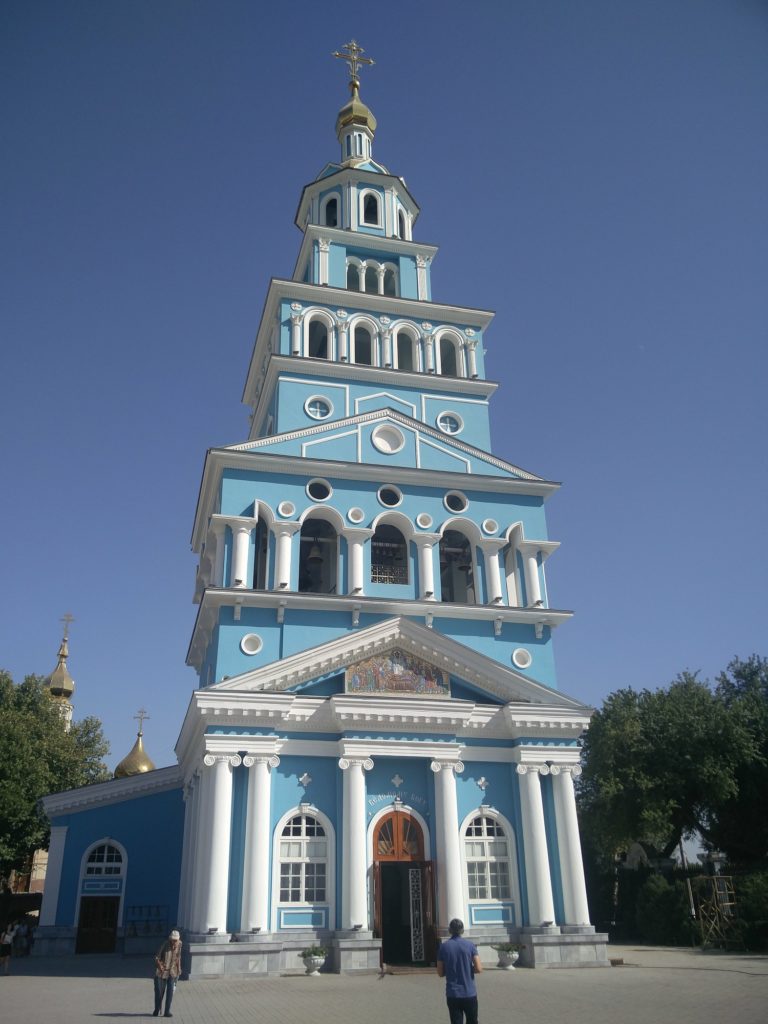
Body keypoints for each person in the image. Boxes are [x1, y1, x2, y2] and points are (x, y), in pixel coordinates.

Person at [436, 918, 483, 1024]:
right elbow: (479, 968)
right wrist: (468, 969)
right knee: (472, 1021)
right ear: (462, 930)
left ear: (450, 930)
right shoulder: (470, 945)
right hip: (469, 993)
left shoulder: (443, 947)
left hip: (453, 994)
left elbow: (440, 972)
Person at [153, 929, 182, 1017]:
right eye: (173, 940)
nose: (174, 942)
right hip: (162, 973)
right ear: (170, 939)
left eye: (176, 940)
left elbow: (178, 957)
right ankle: (157, 1009)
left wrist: (179, 969)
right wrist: (160, 966)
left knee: (170, 992)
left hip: (173, 972)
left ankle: (167, 1011)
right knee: (159, 993)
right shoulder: (165, 944)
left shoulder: (180, 944)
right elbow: (157, 957)